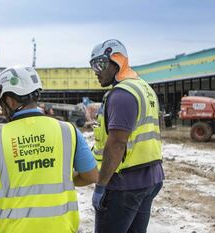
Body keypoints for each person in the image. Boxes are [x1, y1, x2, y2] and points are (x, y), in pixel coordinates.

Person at [0, 65, 98, 233]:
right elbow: (91, 175)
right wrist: (59, 176)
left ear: (9, 100)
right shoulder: (67, 131)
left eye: (2, 102)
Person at [89, 39, 164, 233]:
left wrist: (101, 185)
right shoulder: (144, 88)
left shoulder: (122, 94)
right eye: (93, 66)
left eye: (100, 64)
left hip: (124, 183)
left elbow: (117, 143)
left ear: (117, 62)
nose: (96, 71)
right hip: (150, 177)